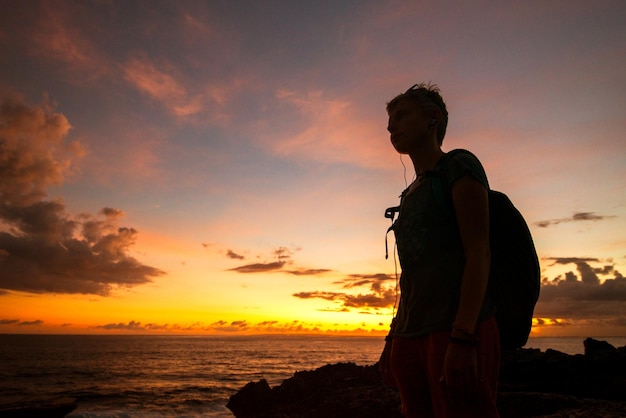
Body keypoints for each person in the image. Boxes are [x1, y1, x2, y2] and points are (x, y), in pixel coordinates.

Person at [383, 83, 500, 417]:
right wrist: (393, 338)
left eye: (402, 115)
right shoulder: (409, 194)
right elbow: (412, 276)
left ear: (433, 118)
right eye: (390, 121)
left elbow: (479, 253)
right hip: (409, 333)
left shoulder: (458, 167)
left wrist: (463, 338)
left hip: (455, 329)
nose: (392, 126)